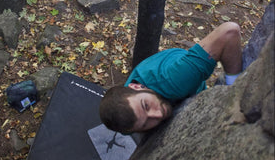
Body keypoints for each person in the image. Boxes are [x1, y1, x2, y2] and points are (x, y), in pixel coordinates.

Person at [100, 22, 242, 134]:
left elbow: (229, 32)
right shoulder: (128, 120)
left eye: (146, 106)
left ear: (136, 86)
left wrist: (234, 92)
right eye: (146, 123)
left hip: (180, 74)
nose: (158, 114)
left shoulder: (176, 81)